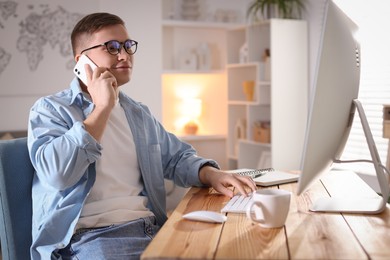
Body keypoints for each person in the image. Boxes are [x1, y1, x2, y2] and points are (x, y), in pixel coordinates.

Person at [27, 12, 256, 260]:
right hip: (93, 238)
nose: (125, 54)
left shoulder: (137, 113)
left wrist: (212, 174)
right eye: (111, 47)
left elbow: (176, 158)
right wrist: (102, 108)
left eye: (127, 46)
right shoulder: (51, 110)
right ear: (82, 61)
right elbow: (58, 175)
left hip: (153, 228)